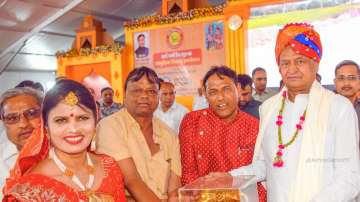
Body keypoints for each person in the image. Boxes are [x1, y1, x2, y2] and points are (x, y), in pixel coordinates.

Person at [208, 23, 360, 202]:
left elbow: (349, 179)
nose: (292, 69)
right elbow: (267, 165)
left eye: (300, 61)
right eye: (285, 63)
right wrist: (231, 177)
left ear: (316, 64)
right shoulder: (269, 108)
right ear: (279, 68)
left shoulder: (338, 107)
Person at [2, 80, 127, 201]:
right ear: (46, 128)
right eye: (61, 120)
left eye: (82, 118)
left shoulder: (109, 166)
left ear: (96, 121)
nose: (73, 129)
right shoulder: (31, 187)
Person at [179, 66, 266, 201]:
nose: (220, 97)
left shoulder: (255, 126)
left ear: (237, 89)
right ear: (205, 95)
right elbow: (189, 172)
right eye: (213, 92)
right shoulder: (192, 121)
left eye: (226, 89)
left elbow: (262, 168)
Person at [96, 66, 181, 202]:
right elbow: (132, 180)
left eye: (151, 91)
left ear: (158, 96)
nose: (144, 96)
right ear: (124, 94)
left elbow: (174, 190)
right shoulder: (110, 126)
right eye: (137, 90)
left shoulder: (169, 135)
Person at [0, 87, 43, 199]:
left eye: (31, 113)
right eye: (12, 118)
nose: (23, 124)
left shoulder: (67, 154)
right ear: (4, 122)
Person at [334, 60, 360, 135]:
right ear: (335, 83)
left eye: (352, 78)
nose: (346, 83)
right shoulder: (324, 107)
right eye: (341, 78)